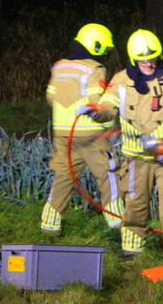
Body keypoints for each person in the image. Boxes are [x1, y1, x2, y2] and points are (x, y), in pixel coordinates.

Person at [82, 29, 163, 262]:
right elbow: (108, 106)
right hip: (136, 156)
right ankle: (133, 250)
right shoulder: (121, 80)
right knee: (135, 201)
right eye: (143, 59)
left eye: (152, 58)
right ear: (134, 58)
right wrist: (96, 112)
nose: (148, 63)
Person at [40, 23, 124, 236]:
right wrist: (107, 115)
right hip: (89, 135)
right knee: (110, 175)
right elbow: (96, 102)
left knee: (63, 177)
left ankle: (49, 227)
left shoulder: (59, 66)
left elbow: (50, 97)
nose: (105, 53)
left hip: (62, 134)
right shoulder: (95, 69)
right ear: (95, 46)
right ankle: (120, 226)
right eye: (104, 49)